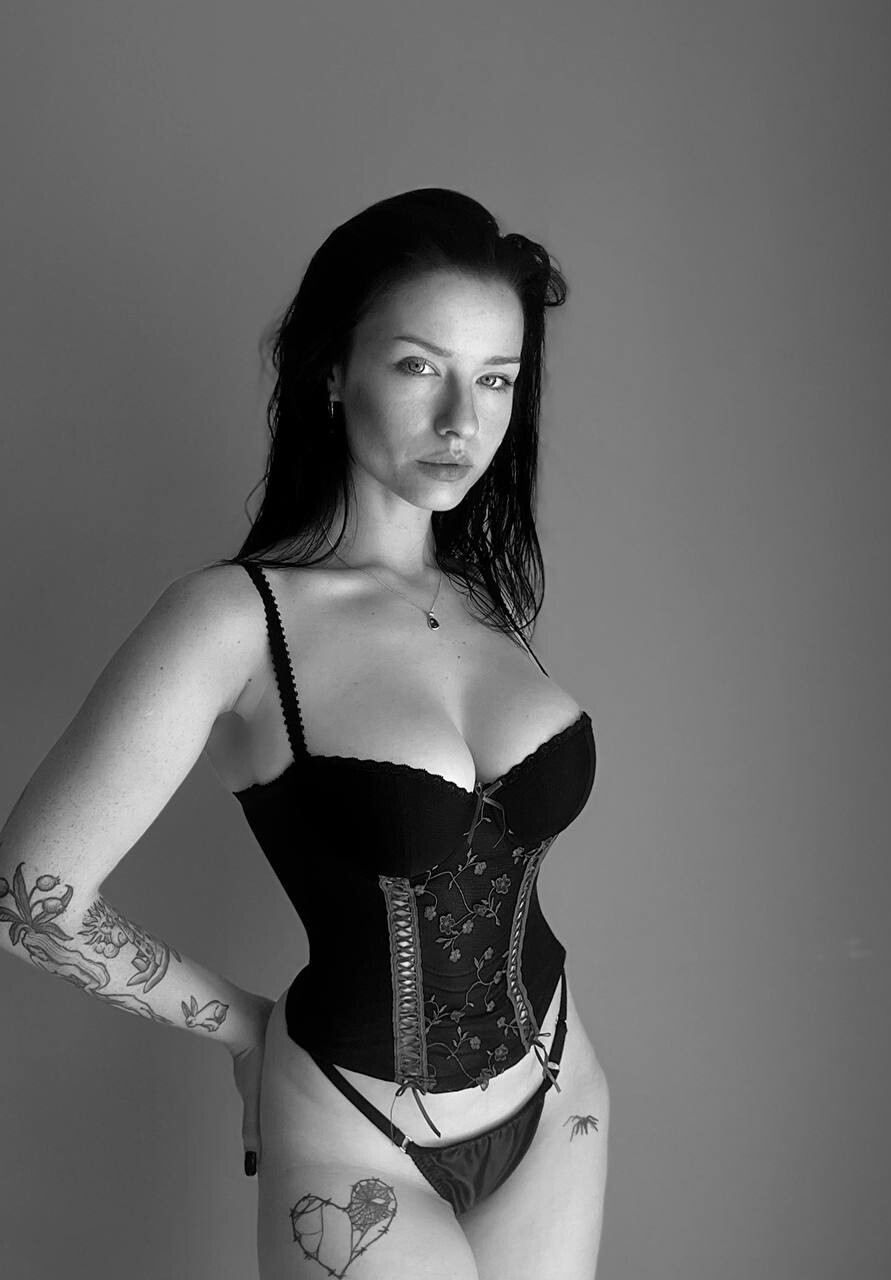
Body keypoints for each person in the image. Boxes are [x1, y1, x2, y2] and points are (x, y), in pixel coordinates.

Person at [0, 188, 609, 1279]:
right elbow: (25, 897)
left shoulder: (484, 599)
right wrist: (244, 1026)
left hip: (561, 1094)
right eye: (419, 366)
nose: (462, 421)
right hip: (358, 1132)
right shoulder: (235, 623)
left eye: (497, 379)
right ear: (333, 371)